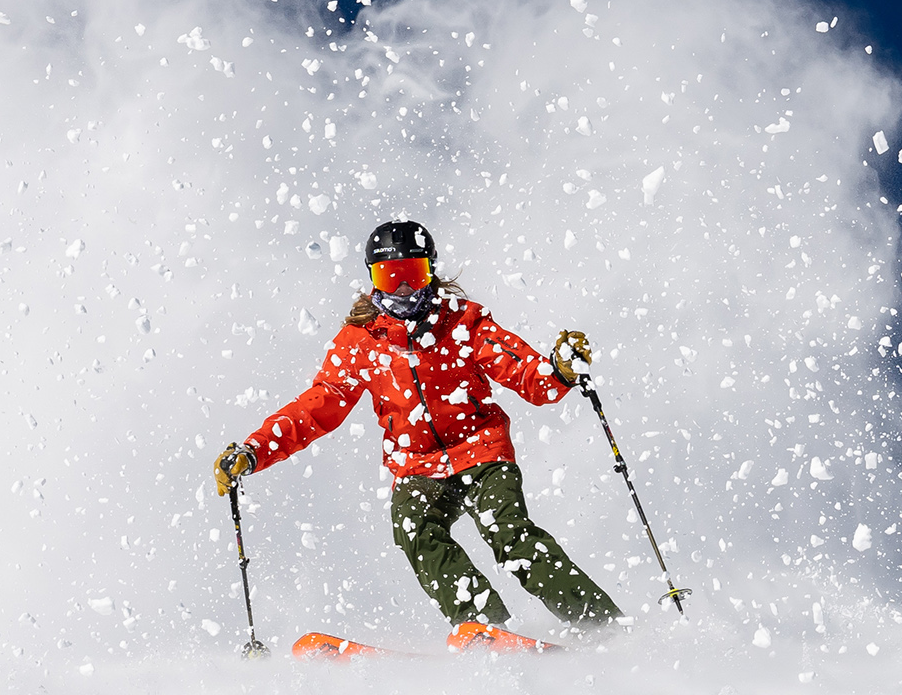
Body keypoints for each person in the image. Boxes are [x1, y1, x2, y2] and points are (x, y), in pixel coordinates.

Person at [213, 220, 622, 634]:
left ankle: (601, 623)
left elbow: (521, 370)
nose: (404, 290)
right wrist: (254, 450)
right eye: (391, 277)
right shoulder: (359, 342)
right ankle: (482, 625)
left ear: (430, 271)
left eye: (413, 275)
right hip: (417, 465)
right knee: (415, 529)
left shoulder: (463, 322)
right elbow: (317, 407)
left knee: (510, 533)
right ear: (373, 279)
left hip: (481, 450)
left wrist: (559, 371)